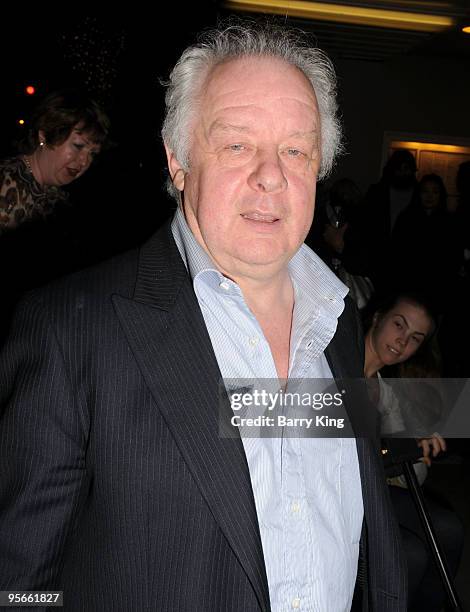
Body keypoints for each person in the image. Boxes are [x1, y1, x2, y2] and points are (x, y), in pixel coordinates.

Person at [0, 22, 407, 611]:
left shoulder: (339, 319)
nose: (273, 175)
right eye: (238, 144)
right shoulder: (68, 332)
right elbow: (19, 585)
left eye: (296, 149)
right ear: (179, 161)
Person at [364, 294, 463, 611]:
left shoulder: (386, 393)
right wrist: (397, 449)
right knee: (410, 555)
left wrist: (413, 446)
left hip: (371, 494)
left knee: (448, 529)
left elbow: (411, 474)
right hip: (329, 499)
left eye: (415, 338)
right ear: (378, 318)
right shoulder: (333, 368)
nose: (402, 340)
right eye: (398, 324)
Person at [0, 89, 110, 234]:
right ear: (44, 136)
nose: (84, 162)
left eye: (93, 153)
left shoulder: (55, 195)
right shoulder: (6, 187)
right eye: (78, 146)